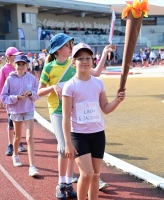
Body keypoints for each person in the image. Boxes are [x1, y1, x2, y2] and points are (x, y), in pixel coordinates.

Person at [38, 33, 115, 199]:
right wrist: (53, 88)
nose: (70, 47)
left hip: (83, 119)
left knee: (82, 161)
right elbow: (39, 91)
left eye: (71, 45)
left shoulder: (75, 66)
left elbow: (95, 73)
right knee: (64, 148)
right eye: (67, 45)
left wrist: (103, 53)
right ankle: (62, 182)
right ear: (58, 49)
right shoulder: (50, 67)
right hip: (59, 111)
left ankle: (74, 178)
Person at [62, 43, 125, 200]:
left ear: (92, 60)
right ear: (73, 62)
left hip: (97, 134)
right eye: (81, 58)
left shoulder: (98, 83)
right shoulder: (70, 86)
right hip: (79, 135)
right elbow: (65, 117)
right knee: (87, 173)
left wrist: (117, 101)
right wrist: (68, 143)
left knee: (96, 174)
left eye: (88, 58)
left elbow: (105, 107)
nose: (85, 61)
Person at [1, 55, 40, 177]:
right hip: (16, 110)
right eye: (18, 64)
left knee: (29, 138)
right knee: (18, 137)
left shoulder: (32, 78)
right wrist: (16, 98)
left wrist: (31, 93)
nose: (21, 67)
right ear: (15, 65)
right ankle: (15, 154)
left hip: (28, 110)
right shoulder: (10, 79)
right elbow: (3, 97)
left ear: (27, 66)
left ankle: (32, 166)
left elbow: (37, 94)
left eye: (23, 64)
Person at [0, 47, 27, 156]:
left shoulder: (22, 67)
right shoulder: (4, 69)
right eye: (15, 55)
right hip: (10, 101)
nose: (17, 57)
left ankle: (18, 142)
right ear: (9, 57)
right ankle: (10, 144)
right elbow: (0, 85)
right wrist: (0, 100)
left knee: (20, 123)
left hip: (22, 101)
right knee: (11, 122)